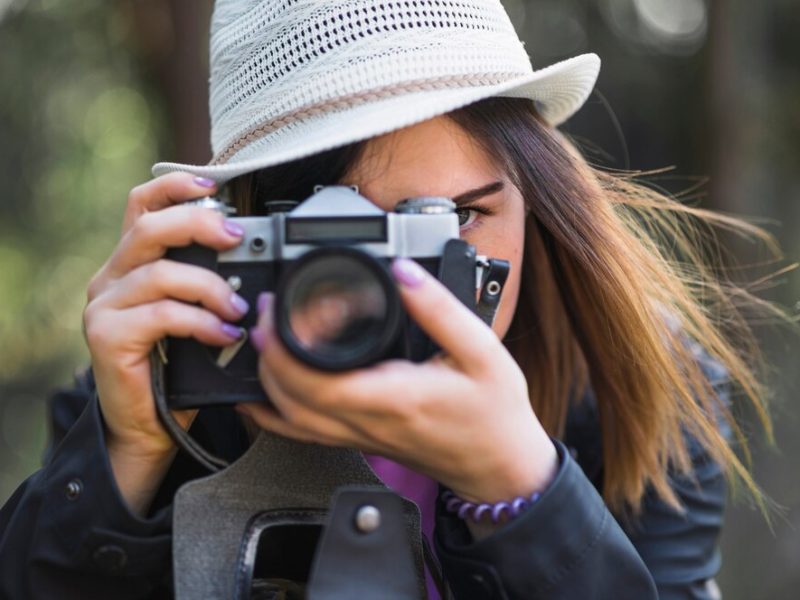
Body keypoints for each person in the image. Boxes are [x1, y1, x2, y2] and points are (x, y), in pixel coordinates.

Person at [0, 1, 786, 598]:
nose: (392, 281)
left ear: (541, 203)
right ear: (239, 234)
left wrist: (523, 488)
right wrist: (120, 462)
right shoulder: (176, 382)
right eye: (334, 243)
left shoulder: (633, 388)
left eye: (450, 220)